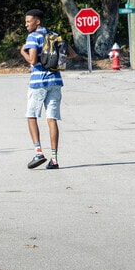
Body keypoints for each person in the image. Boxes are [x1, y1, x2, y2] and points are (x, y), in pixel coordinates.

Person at [20, 9, 78, 170]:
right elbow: (72, 54)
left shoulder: (33, 37)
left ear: (37, 22)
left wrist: (22, 52)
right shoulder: (55, 35)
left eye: (28, 21)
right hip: (56, 81)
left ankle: (38, 152)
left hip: (38, 82)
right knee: (51, 119)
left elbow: (32, 60)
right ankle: (54, 159)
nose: (26, 25)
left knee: (31, 116)